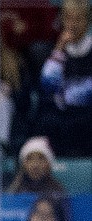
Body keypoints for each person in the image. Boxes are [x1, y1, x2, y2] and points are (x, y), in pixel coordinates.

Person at [35, 0, 92, 156]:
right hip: (60, 117)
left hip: (87, 114)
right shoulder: (52, 50)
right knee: (46, 121)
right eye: (69, 19)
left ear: (87, 21)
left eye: (78, 19)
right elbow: (48, 86)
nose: (73, 25)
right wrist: (59, 50)